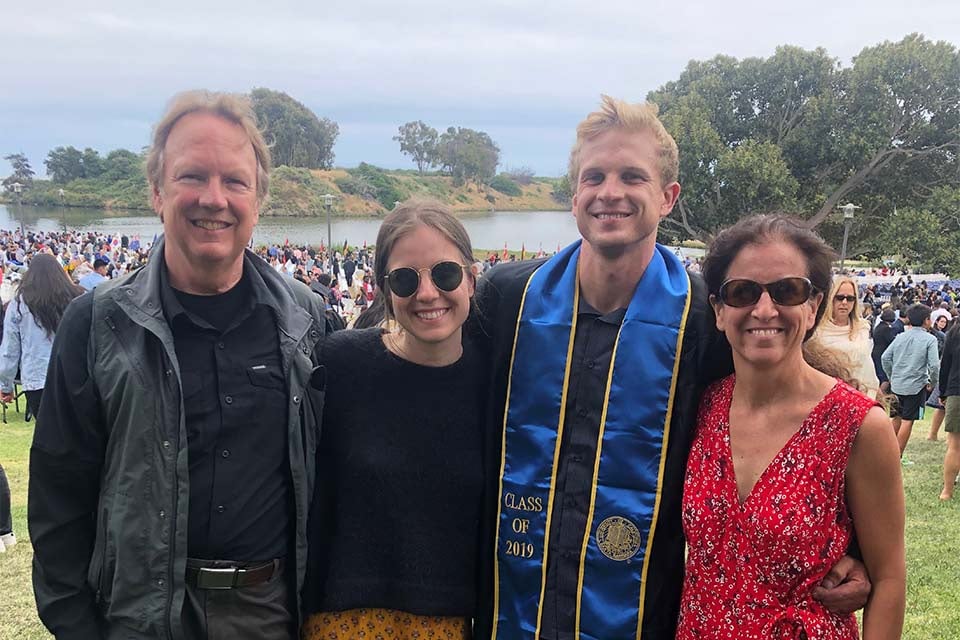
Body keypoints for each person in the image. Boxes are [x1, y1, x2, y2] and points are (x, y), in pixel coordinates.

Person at [473, 95, 869, 640]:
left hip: (641, 611)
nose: (610, 192)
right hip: (508, 602)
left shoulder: (705, 317)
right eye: (595, 177)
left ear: (667, 197)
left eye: (632, 176)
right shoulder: (509, 300)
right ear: (574, 196)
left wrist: (849, 548)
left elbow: (787, 408)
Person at [28, 90, 327, 640]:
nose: (214, 198)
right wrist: (76, 624)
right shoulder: (96, 324)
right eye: (193, 176)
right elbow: (58, 496)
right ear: (157, 191)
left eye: (234, 181)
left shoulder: (306, 320)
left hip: (271, 614)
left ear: (258, 199)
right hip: (138, 619)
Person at [677, 214, 905, 639]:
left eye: (787, 291)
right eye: (743, 292)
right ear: (719, 311)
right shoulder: (700, 406)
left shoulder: (858, 426)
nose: (765, 309)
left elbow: (889, 579)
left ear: (813, 305)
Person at [302, 199, 484, 639]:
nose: (427, 294)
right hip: (343, 618)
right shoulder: (341, 364)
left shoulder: (497, 377)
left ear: (472, 280)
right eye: (405, 279)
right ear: (385, 291)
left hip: (454, 622)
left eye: (445, 273)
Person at [0, 253, 84, 419]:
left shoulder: (19, 304)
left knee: (48, 437)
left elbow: (10, 349)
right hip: (74, 376)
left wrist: (6, 385)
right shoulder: (77, 298)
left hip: (37, 379)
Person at [882, 303, 939, 455]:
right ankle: (897, 454)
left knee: (896, 417)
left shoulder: (900, 336)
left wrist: (891, 376)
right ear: (926, 320)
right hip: (916, 385)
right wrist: (932, 383)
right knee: (908, 420)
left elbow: (885, 357)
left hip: (897, 384)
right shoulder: (930, 339)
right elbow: (934, 365)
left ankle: (888, 451)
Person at [812, 276, 879, 397]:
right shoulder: (816, 330)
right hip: (823, 394)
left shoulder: (862, 328)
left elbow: (867, 365)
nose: (844, 302)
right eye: (840, 297)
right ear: (831, 298)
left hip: (857, 395)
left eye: (850, 299)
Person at [936, 320, 960, 500]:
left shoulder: (954, 331)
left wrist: (943, 391)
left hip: (956, 390)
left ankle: (947, 491)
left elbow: (945, 364)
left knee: (954, 445)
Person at [926, 312, 950, 440]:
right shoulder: (948, 336)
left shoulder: (948, 336)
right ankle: (934, 434)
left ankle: (934, 434)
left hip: (946, 371)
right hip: (949, 373)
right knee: (942, 406)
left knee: (943, 407)